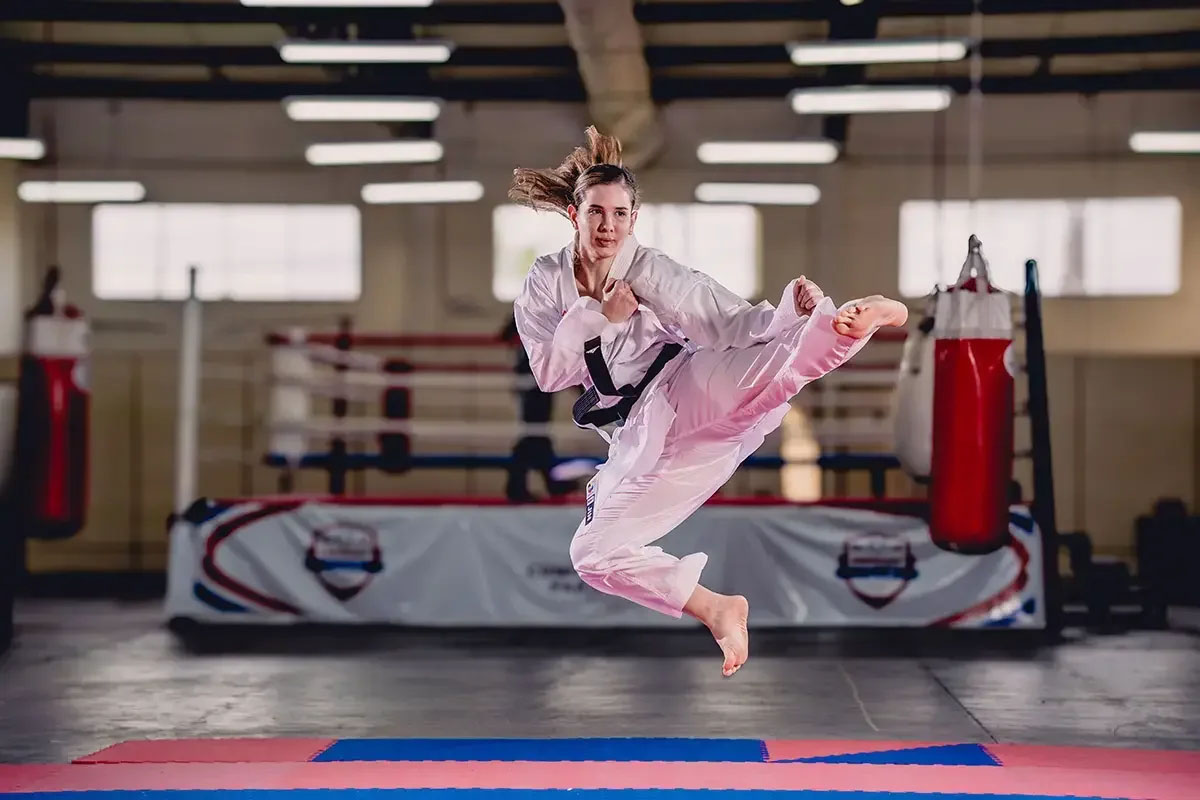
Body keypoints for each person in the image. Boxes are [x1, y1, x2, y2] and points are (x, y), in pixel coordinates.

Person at [509, 127, 908, 677]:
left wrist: (785, 314)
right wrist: (602, 317)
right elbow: (550, 373)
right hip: (637, 440)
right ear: (575, 214)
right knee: (592, 554)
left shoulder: (649, 270)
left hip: (682, 385)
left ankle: (848, 323)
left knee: (776, 376)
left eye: (621, 214)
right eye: (597, 212)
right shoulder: (543, 281)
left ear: (633, 219)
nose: (609, 226)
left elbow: (727, 320)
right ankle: (717, 608)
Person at [498, 314, 579, 503]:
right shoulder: (537, 305)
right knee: (535, 431)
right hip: (536, 373)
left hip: (537, 372)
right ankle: (531, 485)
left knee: (536, 430)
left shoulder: (536, 305)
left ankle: (531, 484)